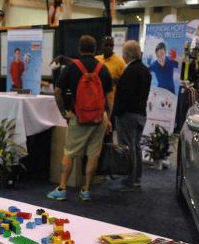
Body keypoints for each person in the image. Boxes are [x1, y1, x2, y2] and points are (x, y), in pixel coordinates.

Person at [47, 35, 112, 202]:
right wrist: (108, 119)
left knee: (69, 153)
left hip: (79, 117)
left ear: (79, 49)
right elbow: (110, 98)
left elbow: (57, 92)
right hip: (99, 118)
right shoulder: (103, 69)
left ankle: (62, 188)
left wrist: (63, 112)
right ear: (95, 49)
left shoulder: (71, 68)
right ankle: (86, 190)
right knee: (93, 155)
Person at [112, 40, 151, 189]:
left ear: (127, 54)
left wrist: (117, 112)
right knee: (136, 146)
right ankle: (137, 177)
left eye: (123, 52)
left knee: (128, 147)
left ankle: (130, 178)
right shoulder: (145, 70)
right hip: (141, 113)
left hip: (128, 114)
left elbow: (126, 95)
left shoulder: (130, 71)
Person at [96, 36, 126, 109]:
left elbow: (125, 82)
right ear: (102, 46)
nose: (109, 47)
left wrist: (117, 81)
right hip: (96, 100)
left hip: (111, 102)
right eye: (106, 45)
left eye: (111, 45)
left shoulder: (120, 62)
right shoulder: (96, 59)